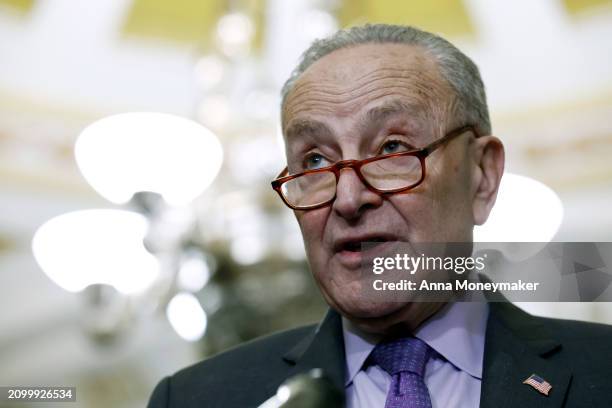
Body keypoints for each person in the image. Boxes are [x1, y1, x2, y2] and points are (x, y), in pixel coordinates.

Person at [147, 24, 612, 408]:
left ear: (481, 175)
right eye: (314, 162)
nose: (348, 199)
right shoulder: (195, 398)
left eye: (392, 148)